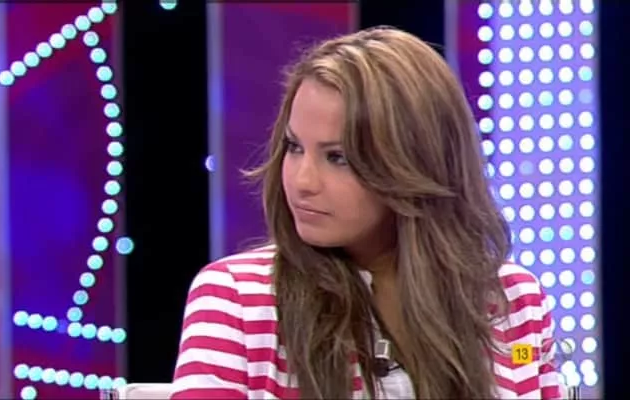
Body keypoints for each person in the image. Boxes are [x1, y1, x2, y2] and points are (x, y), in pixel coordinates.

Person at [169, 27, 561, 399]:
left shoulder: (515, 301)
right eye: (294, 147)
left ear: (416, 161)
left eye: (337, 157)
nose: (302, 181)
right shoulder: (236, 300)